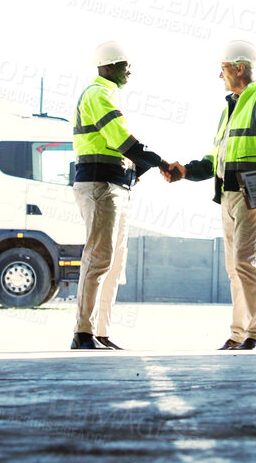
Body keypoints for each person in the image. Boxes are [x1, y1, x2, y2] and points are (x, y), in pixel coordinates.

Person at [173, 40, 256, 351]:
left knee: (245, 262)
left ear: (238, 68)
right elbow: (215, 160)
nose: (220, 76)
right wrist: (185, 170)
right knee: (234, 267)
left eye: (223, 69)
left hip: (253, 195)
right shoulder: (230, 109)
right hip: (227, 196)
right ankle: (239, 333)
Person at [69, 40, 180, 351]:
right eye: (124, 65)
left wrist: (138, 171)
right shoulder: (98, 94)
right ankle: (83, 332)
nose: (129, 71)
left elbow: (121, 150)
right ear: (108, 67)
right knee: (99, 257)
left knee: (113, 264)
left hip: (115, 184)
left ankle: (100, 332)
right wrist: (160, 163)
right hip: (100, 185)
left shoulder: (107, 94)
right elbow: (121, 140)